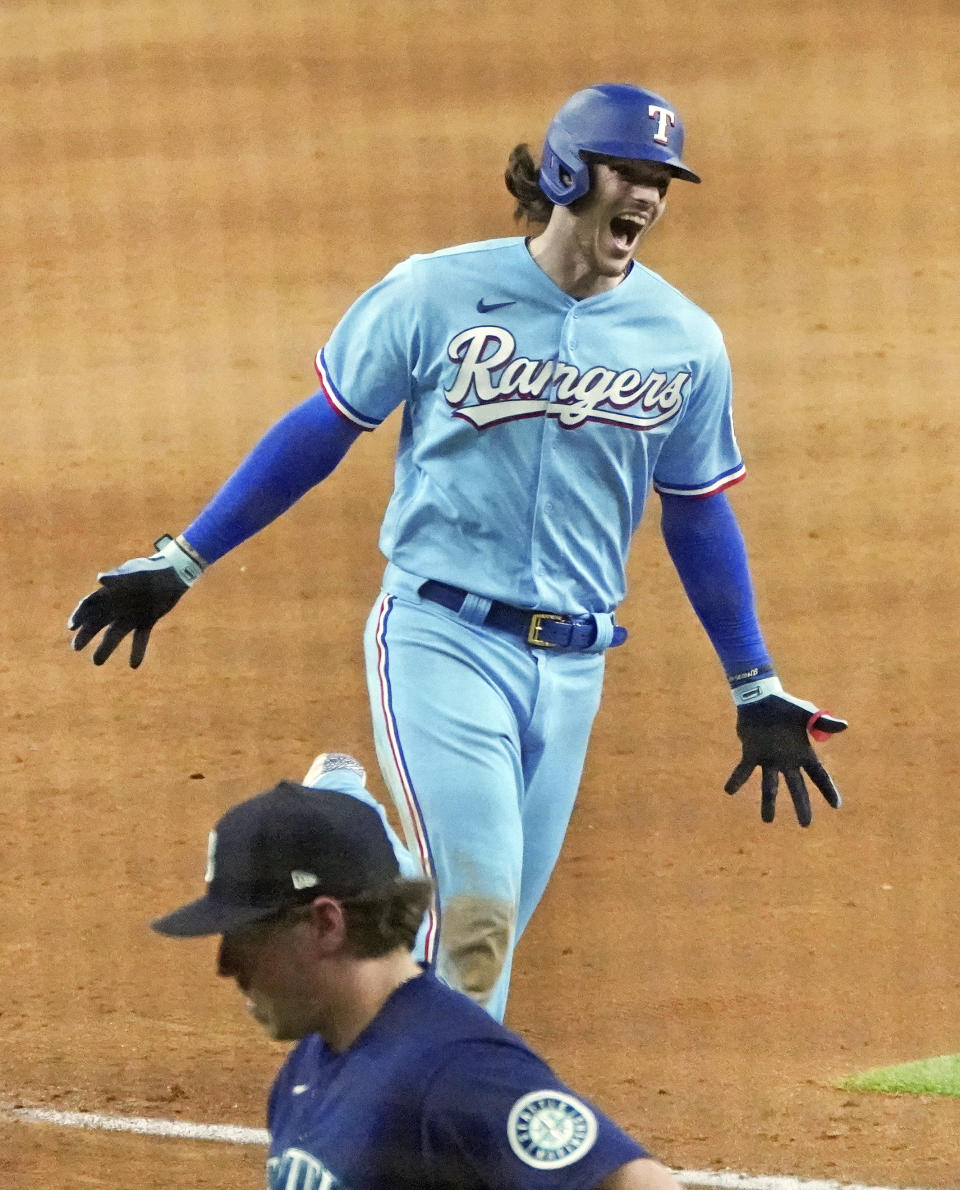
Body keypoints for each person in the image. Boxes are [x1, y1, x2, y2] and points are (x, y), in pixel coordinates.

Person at [68, 82, 847, 1022]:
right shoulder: (435, 292)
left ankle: (355, 838)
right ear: (565, 172)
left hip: (574, 668)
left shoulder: (683, 340)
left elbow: (696, 509)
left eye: (661, 180)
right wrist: (183, 556)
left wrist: (753, 680)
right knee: (476, 930)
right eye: (626, 172)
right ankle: (424, 1146)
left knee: (483, 918)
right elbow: (325, 425)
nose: (645, 196)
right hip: (441, 636)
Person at [64, 779, 695, 1190]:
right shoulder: (314, 1063)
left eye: (243, 934)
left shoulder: (454, 1068)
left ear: (325, 923)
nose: (226, 966)